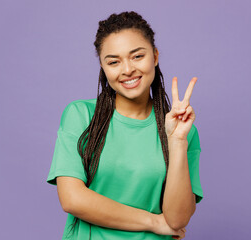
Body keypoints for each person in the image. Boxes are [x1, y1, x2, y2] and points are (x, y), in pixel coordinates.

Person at [46, 11, 203, 240]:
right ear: (103, 67)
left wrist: (177, 142)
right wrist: (153, 222)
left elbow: (178, 219)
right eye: (113, 62)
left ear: (155, 56)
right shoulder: (81, 115)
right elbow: (72, 199)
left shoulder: (182, 130)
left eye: (137, 56)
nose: (127, 69)